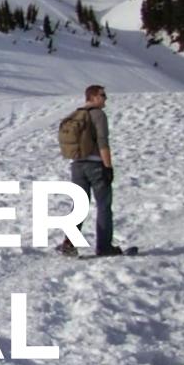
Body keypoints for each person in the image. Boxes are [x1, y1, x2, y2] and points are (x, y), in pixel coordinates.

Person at [64, 84, 122, 256]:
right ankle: (104, 246)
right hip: (96, 165)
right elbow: (103, 142)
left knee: (79, 206)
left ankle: (69, 242)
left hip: (77, 166)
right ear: (93, 97)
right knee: (104, 206)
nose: (105, 98)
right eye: (102, 95)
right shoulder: (98, 115)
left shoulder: (76, 115)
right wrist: (108, 166)